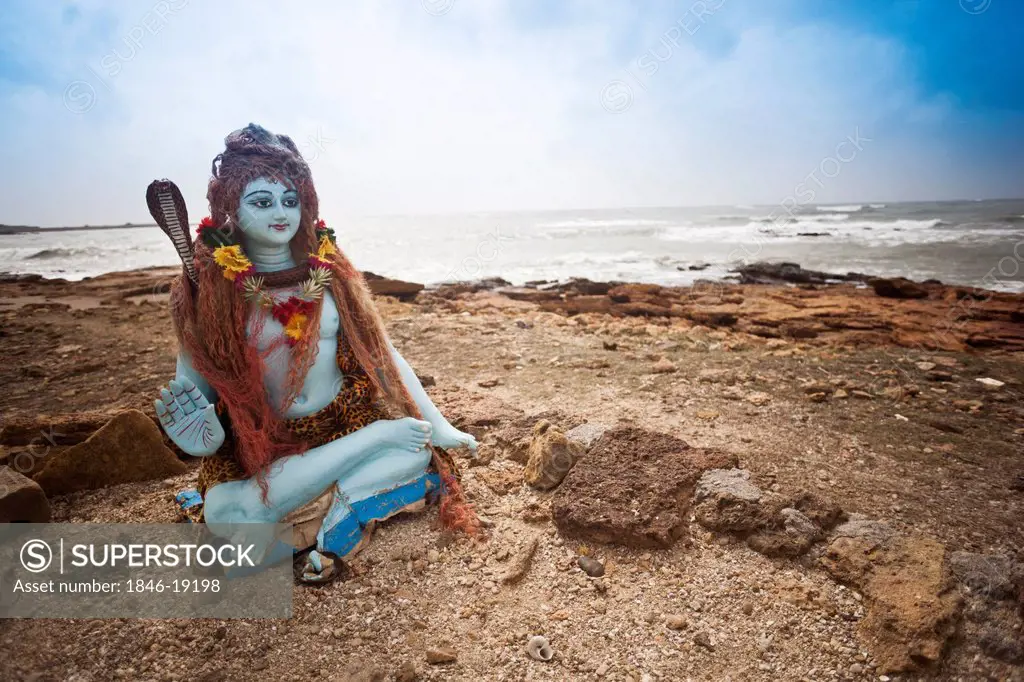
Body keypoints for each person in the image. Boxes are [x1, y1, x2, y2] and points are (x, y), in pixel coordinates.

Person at [153, 123, 478, 581]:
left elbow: (383, 355)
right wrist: (199, 435)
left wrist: (440, 425)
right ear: (231, 209)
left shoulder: (332, 274)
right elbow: (195, 387)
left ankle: (311, 508)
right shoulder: (207, 291)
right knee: (228, 512)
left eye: (291, 200)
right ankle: (365, 460)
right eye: (261, 202)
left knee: (416, 449)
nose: (280, 213)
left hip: (341, 420)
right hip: (263, 442)